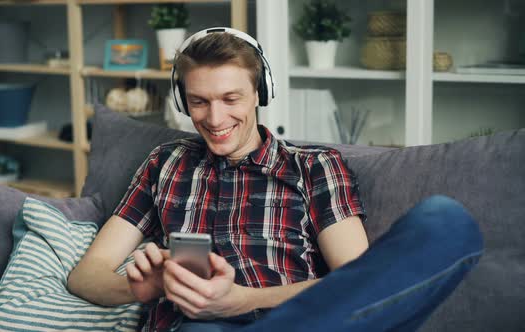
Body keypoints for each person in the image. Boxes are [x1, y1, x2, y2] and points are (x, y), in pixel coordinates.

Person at [68, 28, 483, 332]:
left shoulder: (315, 166)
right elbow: (86, 275)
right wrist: (143, 289)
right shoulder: (166, 163)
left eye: (231, 99)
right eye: (199, 102)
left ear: (260, 93)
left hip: (302, 322)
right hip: (196, 328)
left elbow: (358, 282)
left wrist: (239, 302)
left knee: (445, 221)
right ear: (182, 101)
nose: (214, 120)